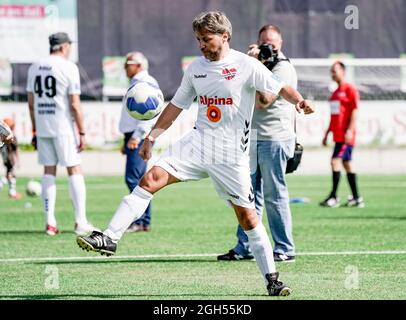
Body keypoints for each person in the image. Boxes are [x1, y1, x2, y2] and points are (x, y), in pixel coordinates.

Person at [76, 11, 314, 296]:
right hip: (198, 143)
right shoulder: (195, 69)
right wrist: (152, 136)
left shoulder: (246, 65)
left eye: (206, 39)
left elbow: (280, 87)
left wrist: (299, 101)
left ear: (224, 36)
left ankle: (272, 281)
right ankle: (110, 237)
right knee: (150, 179)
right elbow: (176, 106)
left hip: (230, 155)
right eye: (198, 40)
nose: (201, 45)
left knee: (248, 219)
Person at [217, 24, 297, 263]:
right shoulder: (255, 64)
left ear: (280, 43)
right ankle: (245, 247)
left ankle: (284, 247)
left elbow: (264, 100)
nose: (268, 47)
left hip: (274, 138)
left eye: (272, 42)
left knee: (275, 195)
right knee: (247, 195)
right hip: (252, 138)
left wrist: (256, 65)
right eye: (264, 42)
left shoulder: (283, 67)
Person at [26, 32, 97, 236]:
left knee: (49, 171)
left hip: (42, 125)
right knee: (74, 170)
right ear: (65, 47)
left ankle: (50, 222)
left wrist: (34, 129)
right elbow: (75, 104)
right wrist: (82, 131)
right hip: (63, 126)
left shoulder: (34, 66)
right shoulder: (68, 67)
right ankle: (80, 221)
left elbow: (31, 104)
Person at [119, 52, 157, 232]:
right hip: (133, 136)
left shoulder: (145, 82)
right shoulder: (136, 82)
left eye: (129, 64)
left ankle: (141, 220)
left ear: (139, 65)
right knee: (136, 178)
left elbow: (149, 113)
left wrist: (136, 136)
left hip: (139, 137)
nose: (125, 67)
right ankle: (142, 220)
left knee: (134, 178)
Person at [320, 61, 364, 208]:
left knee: (335, 162)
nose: (332, 74)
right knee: (347, 164)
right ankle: (357, 198)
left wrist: (350, 130)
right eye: (331, 71)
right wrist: (327, 134)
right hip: (338, 136)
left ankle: (333, 197)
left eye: (335, 71)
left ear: (343, 72)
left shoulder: (350, 89)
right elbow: (333, 117)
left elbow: (355, 111)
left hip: (345, 136)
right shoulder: (334, 94)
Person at [0, 118, 22, 199]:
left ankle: (12, 192)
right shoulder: (11, 135)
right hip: (10, 157)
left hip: (5, 157)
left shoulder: (1, 136)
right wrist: (18, 161)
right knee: (9, 174)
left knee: (11, 174)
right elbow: (16, 150)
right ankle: (11, 192)